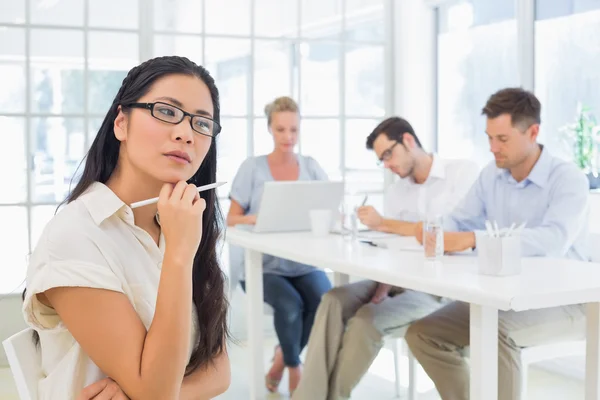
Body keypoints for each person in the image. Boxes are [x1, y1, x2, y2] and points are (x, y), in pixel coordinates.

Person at [22, 56, 231, 399]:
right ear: (121, 123)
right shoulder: (76, 235)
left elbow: (219, 368)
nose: (185, 133)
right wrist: (178, 255)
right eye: (166, 111)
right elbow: (155, 392)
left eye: (202, 123)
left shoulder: (182, 225)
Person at [407, 87, 590, 400]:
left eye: (502, 139)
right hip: (504, 296)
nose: (493, 148)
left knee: (497, 331)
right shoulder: (491, 175)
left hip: (569, 302)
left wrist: (472, 239)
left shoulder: (568, 178)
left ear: (533, 132)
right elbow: (459, 220)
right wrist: (437, 232)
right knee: (423, 333)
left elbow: (552, 241)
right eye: (489, 137)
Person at [293, 117, 479, 400]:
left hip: (439, 291)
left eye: (388, 154)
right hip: (394, 280)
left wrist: (383, 223)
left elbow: (441, 236)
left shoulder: (461, 173)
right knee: (332, 300)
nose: (387, 165)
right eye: (382, 160)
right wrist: (381, 288)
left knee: (366, 319)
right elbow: (391, 250)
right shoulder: (396, 192)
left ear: (407, 140)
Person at [227, 96, 332, 395]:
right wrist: (256, 217)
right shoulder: (253, 168)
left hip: (304, 263)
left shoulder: (311, 167)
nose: (288, 137)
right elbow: (231, 219)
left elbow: (329, 207)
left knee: (326, 303)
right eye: (281, 129)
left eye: (294, 130)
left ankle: (280, 360)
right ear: (270, 129)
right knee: (290, 307)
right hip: (264, 266)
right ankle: (294, 367)